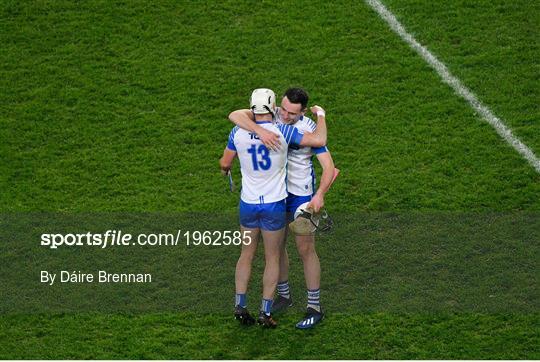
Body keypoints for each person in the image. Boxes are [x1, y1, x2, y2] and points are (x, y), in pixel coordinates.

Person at [228, 87, 336, 329]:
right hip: (277, 195)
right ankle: (284, 296)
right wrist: (258, 130)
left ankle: (314, 307)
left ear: (303, 112)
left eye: (291, 113)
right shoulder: (273, 115)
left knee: (305, 249)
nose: (285, 116)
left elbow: (330, 168)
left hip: (301, 197)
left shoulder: (308, 127)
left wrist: (320, 195)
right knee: (277, 248)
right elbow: (235, 115)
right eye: (283, 109)